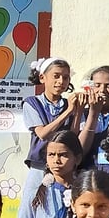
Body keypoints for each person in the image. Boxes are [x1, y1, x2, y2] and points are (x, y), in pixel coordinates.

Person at [23, 57, 83, 195]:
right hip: (39, 164)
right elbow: (42, 134)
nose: (61, 81)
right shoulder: (32, 103)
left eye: (65, 78)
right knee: (33, 199)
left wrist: (78, 111)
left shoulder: (68, 104)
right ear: (42, 78)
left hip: (64, 166)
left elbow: (72, 136)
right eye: (56, 76)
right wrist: (68, 112)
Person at [78, 65, 109, 167]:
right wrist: (94, 113)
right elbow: (80, 150)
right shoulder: (83, 114)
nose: (102, 90)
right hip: (87, 171)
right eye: (97, 85)